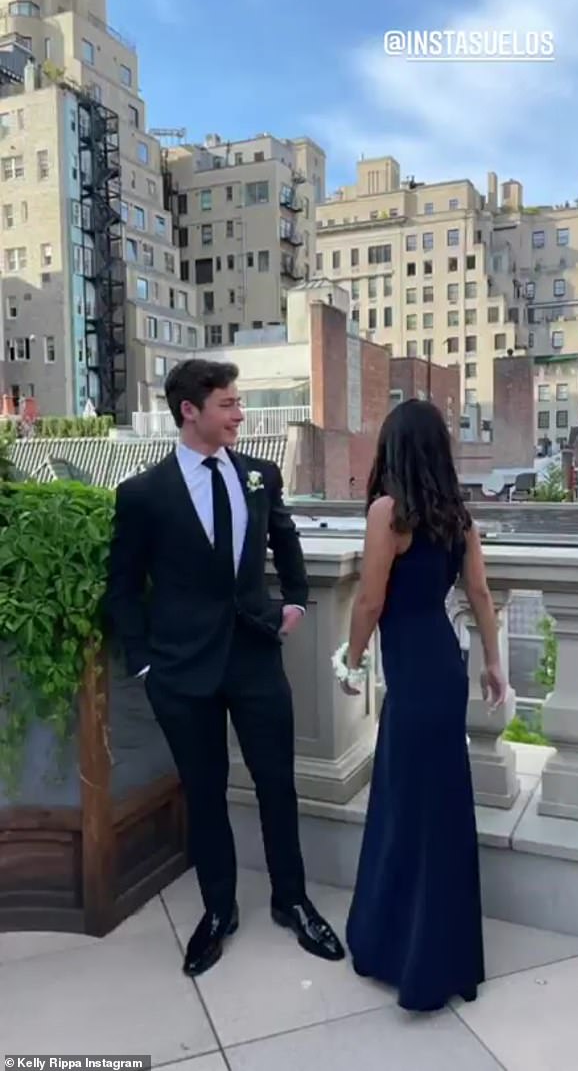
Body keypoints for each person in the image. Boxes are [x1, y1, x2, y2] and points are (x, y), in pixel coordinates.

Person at [105, 359, 344, 976]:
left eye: (239, 404)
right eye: (229, 405)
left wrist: (294, 600)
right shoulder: (143, 493)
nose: (240, 414)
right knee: (205, 795)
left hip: (256, 657)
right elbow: (124, 587)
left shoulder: (260, 476)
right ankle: (218, 911)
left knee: (276, 785)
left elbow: (285, 540)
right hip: (181, 672)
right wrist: (143, 667)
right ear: (191, 411)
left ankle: (292, 901)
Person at [336, 398, 506, 1012]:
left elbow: (370, 603)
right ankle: (445, 955)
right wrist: (493, 662)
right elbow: (480, 593)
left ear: (393, 449)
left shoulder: (388, 513)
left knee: (406, 805)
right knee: (441, 807)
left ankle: (399, 949)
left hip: (411, 673)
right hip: (445, 663)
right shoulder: (457, 518)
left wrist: (350, 659)